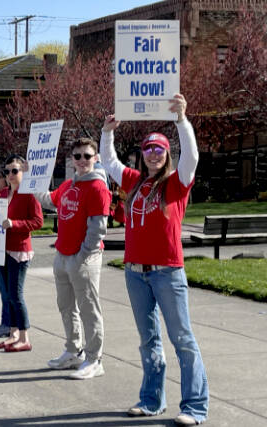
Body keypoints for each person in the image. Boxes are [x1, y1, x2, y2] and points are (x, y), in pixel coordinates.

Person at [100, 94, 208, 426]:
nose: (153, 154)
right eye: (148, 149)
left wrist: (182, 120)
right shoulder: (134, 182)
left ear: (167, 153)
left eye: (159, 149)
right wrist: (107, 133)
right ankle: (151, 400)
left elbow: (192, 156)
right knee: (148, 340)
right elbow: (110, 164)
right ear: (142, 154)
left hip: (167, 272)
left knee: (182, 339)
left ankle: (194, 407)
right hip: (135, 273)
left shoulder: (177, 184)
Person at [37, 137, 111, 379]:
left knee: (89, 309)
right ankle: (73, 350)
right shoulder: (69, 185)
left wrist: (82, 255)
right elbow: (49, 200)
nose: (82, 161)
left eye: (87, 156)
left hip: (84, 258)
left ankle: (94, 359)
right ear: (72, 159)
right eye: (77, 156)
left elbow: (98, 228)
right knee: (67, 307)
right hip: (62, 254)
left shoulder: (98, 187)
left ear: (95, 158)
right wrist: (31, 179)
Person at [0, 154, 43, 352]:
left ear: (23, 172)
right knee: (8, 295)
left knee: (16, 294)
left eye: (15, 171)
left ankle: (24, 336)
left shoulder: (29, 194)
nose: (10, 175)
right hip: (2, 249)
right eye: (7, 171)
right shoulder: (3, 193)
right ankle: (13, 333)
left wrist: (14, 224)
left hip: (19, 250)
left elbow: (38, 221)